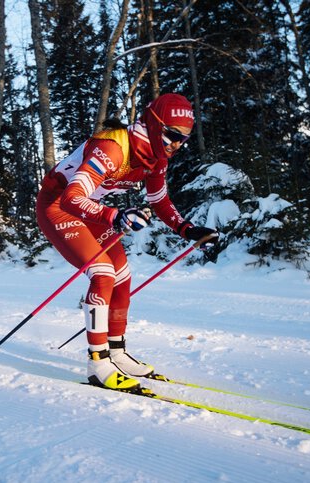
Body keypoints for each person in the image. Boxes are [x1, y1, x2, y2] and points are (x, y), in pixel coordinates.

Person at [36, 93, 218, 391]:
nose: (176, 145)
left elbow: (159, 200)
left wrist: (189, 230)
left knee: (122, 275)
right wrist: (114, 215)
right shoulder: (112, 148)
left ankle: (117, 352)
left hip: (90, 211)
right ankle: (97, 363)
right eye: (172, 135)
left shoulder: (156, 157)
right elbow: (71, 197)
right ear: (153, 124)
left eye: (183, 139)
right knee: (103, 273)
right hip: (57, 206)